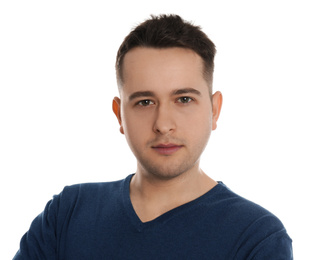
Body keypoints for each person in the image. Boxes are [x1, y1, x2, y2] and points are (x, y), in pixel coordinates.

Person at [14, 14, 293, 259]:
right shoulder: (68, 213)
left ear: (214, 110)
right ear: (119, 114)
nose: (163, 124)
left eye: (183, 99)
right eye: (145, 102)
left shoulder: (256, 237)